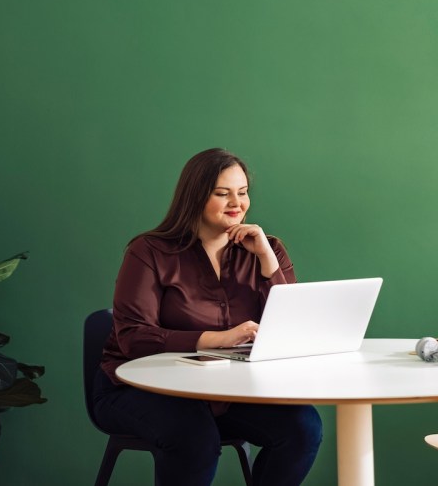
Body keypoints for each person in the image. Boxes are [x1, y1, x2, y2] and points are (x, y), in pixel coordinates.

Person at [92, 148, 323, 486]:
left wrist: (267, 262)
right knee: (193, 438)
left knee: (303, 429)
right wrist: (215, 339)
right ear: (195, 196)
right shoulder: (149, 252)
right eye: (222, 193)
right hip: (138, 390)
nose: (237, 203)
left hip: (226, 394)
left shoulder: (265, 249)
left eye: (243, 193)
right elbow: (133, 337)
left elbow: (293, 331)